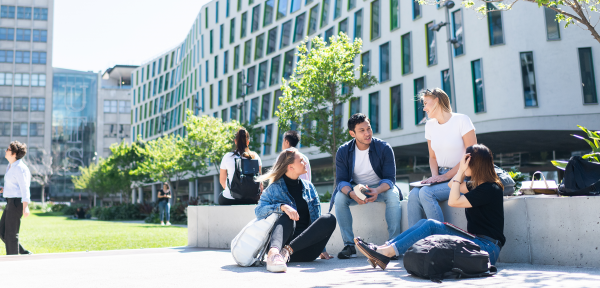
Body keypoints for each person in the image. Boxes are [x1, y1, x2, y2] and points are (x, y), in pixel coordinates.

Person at [355, 144, 505, 270]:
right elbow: (452, 184)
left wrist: (460, 170)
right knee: (423, 223)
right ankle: (385, 248)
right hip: (477, 242)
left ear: (475, 164)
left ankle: (386, 252)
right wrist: (461, 171)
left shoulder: (490, 189)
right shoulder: (478, 186)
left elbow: (453, 200)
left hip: (486, 249)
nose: (462, 164)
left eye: (465, 161)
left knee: (431, 225)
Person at [332, 113, 402, 259]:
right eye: (362, 130)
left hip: (380, 188)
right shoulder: (343, 151)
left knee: (393, 195)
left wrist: (377, 190)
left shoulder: (384, 148)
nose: (367, 133)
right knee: (339, 198)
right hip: (356, 189)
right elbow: (341, 181)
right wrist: (351, 193)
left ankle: (394, 245)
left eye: (368, 128)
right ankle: (349, 245)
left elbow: (390, 179)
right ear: (352, 133)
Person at [255, 148, 336, 273]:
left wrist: (322, 249)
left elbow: (316, 220)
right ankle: (274, 253)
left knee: (329, 218)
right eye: (301, 161)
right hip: (280, 246)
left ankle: (287, 251)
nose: (305, 163)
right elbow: (259, 211)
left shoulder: (309, 187)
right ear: (290, 167)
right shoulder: (273, 189)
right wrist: (282, 207)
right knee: (288, 214)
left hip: (306, 249)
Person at [408, 88, 477, 227]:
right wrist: (435, 177)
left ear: (437, 100)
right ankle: (415, 242)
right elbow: (432, 157)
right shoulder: (430, 126)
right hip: (441, 175)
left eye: (426, 103)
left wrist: (445, 177)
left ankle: (440, 241)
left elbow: (471, 156)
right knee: (414, 194)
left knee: (426, 193)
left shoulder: (462, 120)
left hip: (463, 176)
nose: (424, 108)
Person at [0, 141, 33, 255]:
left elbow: (24, 188)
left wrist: (26, 206)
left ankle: (13, 262)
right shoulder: (11, 166)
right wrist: (4, 189)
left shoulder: (19, 167)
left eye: (8, 149)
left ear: (14, 153)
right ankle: (24, 253)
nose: (6, 151)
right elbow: (15, 186)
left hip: (16, 203)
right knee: (2, 232)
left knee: (11, 234)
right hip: (10, 202)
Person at [218, 128, 262, 205]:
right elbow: (260, 181)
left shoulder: (228, 157)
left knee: (220, 197)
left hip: (231, 199)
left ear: (235, 141)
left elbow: (222, 181)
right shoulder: (255, 157)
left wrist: (233, 192)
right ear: (248, 142)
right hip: (251, 199)